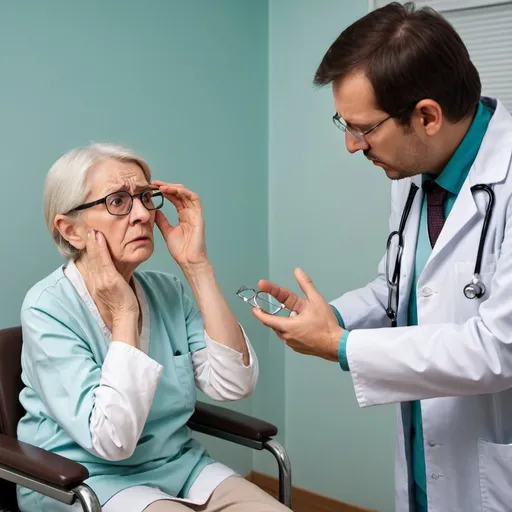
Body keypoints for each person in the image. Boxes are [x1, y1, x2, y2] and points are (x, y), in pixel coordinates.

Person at [252, 3, 512, 512]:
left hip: (489, 472)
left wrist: (341, 346)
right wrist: (332, 317)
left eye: (363, 129)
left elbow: (498, 349)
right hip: (424, 446)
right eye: (344, 124)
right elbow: (401, 287)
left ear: (427, 116)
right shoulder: (413, 169)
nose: (352, 146)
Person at [17, 143, 290, 512]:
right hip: (83, 482)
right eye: (118, 201)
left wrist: (197, 267)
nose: (143, 214)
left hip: (179, 468)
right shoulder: (47, 307)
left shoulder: (167, 290)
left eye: (146, 197)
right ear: (71, 230)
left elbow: (234, 384)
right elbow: (112, 441)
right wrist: (125, 315)